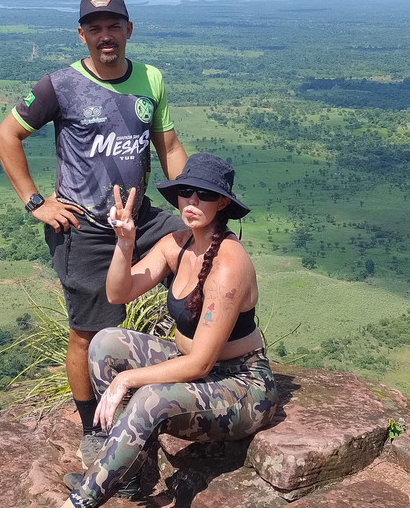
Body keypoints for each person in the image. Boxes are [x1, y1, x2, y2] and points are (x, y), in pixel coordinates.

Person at [0, 0, 188, 463]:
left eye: (114, 26)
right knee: (88, 331)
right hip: (87, 228)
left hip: (139, 218)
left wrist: (192, 205)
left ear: (129, 30)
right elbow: (7, 134)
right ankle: (92, 428)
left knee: (201, 252)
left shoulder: (151, 79)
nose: (106, 36)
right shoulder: (59, 85)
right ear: (82, 35)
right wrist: (36, 201)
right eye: (96, 28)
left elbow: (169, 146)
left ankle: (198, 362)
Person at [61, 153, 278, 508]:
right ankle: (126, 475)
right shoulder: (177, 244)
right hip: (192, 364)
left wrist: (127, 380)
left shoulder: (228, 266)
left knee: (150, 397)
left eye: (204, 195)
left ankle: (83, 498)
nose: (191, 201)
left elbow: (200, 365)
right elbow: (119, 292)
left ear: (222, 202)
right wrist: (125, 242)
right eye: (185, 191)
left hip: (242, 385)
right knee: (104, 343)